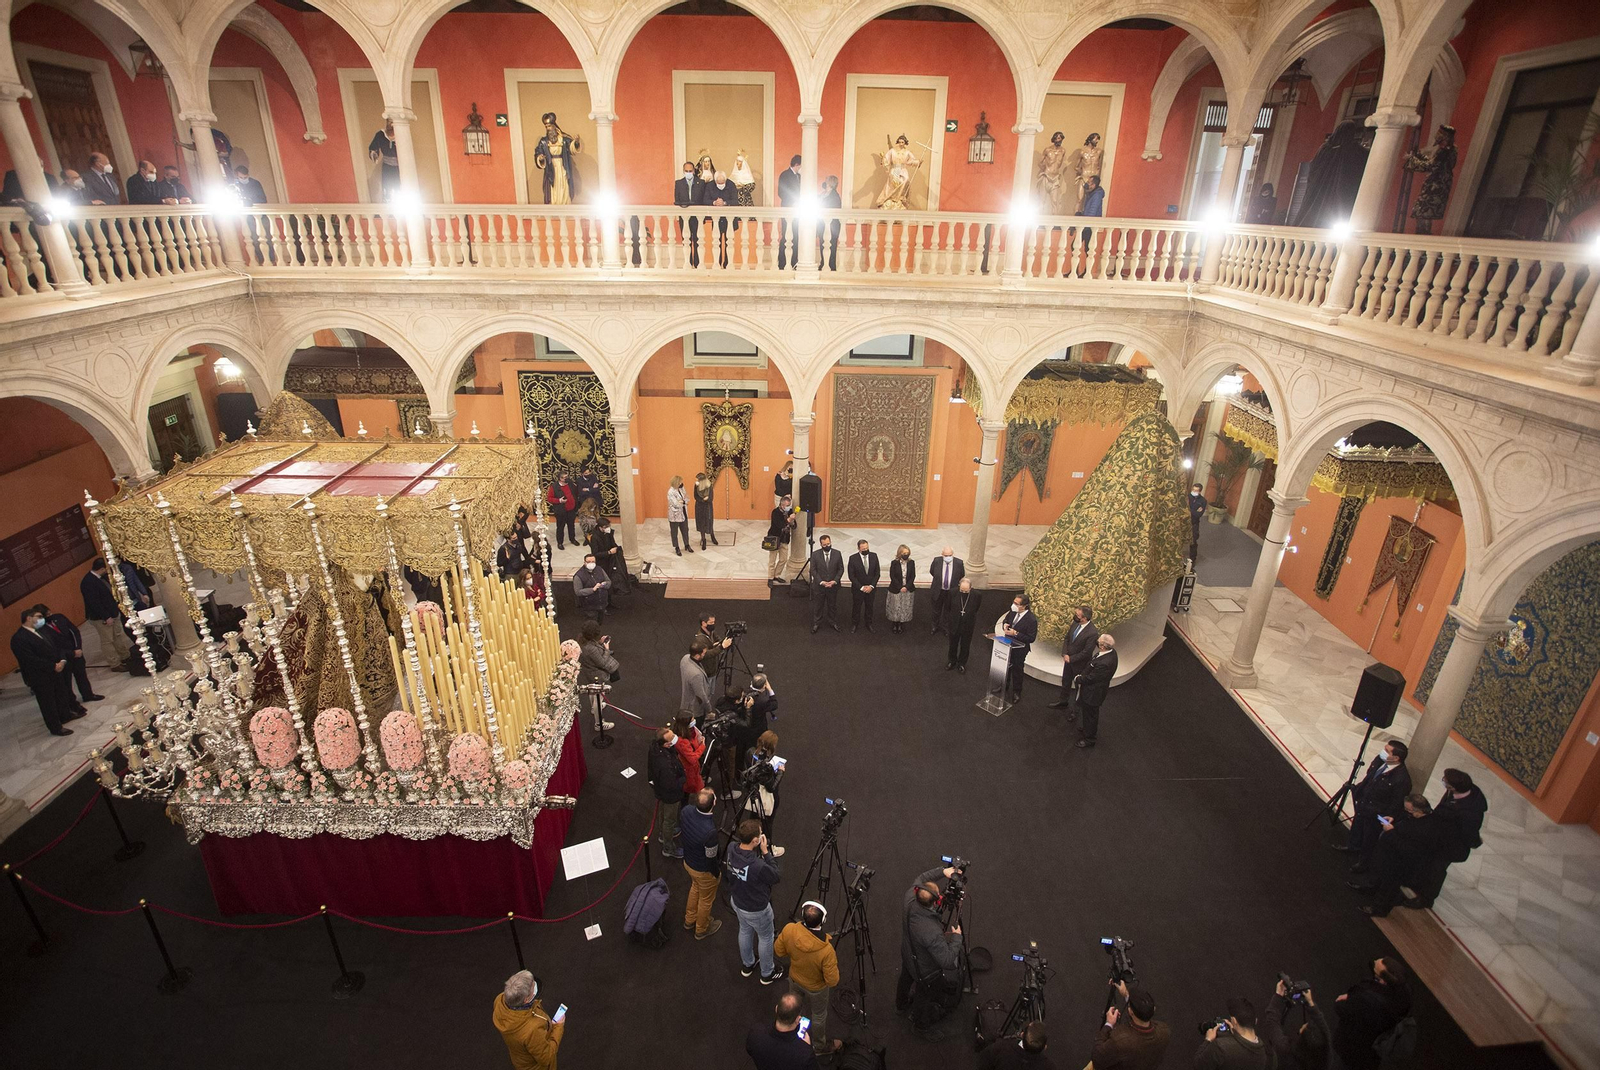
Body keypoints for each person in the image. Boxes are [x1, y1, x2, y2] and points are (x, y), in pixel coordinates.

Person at [1350, 794, 1442, 917]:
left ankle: (1379, 909)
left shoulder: (1426, 828)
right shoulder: (1414, 816)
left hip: (1400, 863)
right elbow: (1404, 820)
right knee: (1379, 876)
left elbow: (1409, 849)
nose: (1406, 812)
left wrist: (1391, 832)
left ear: (1419, 811)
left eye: (1408, 810)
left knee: (1389, 888)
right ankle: (1371, 888)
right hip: (1388, 856)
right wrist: (1393, 818)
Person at [1407, 768, 1487, 909]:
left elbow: (1469, 832)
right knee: (1425, 863)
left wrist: (1475, 842)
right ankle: (1417, 883)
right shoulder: (1453, 793)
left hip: (1449, 846)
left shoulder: (1469, 811)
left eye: (1446, 781)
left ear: (1454, 787)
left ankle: (1426, 899)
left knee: (1436, 870)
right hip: (1437, 838)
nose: (1443, 782)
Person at [896, 863, 963, 1024]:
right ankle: (920, 1023)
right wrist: (957, 938)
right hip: (925, 971)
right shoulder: (931, 931)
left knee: (905, 978)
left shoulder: (909, 898)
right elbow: (947, 961)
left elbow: (922, 878)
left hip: (907, 954)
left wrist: (942, 871)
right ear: (936, 902)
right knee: (924, 994)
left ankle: (901, 1004)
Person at [775, 902, 842, 1056]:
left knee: (796, 1007)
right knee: (818, 1015)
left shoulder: (789, 929)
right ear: (823, 921)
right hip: (816, 989)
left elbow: (779, 951)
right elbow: (832, 981)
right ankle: (819, 1046)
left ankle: (795, 1032)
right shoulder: (826, 951)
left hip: (794, 979)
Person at [727, 818, 785, 984]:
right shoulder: (757, 865)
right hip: (756, 908)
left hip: (737, 901)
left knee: (745, 930)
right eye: (760, 834)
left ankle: (748, 965)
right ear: (755, 841)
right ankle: (767, 973)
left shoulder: (731, 848)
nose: (762, 835)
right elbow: (775, 876)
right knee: (766, 937)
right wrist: (766, 852)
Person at [1337, 739, 1412, 864]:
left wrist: (1383, 818)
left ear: (1396, 758)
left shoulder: (1402, 779)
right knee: (1357, 827)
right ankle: (1352, 847)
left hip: (1377, 813)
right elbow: (1370, 777)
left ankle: (1363, 862)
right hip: (1365, 804)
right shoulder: (1380, 761)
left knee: (1369, 839)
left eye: (1387, 751)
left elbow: (1396, 802)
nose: (1383, 752)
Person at [1332, 958, 1411, 1070]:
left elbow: (1341, 1008)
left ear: (1382, 981)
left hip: (1354, 1049)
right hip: (1374, 1051)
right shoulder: (1404, 993)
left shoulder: (1368, 999)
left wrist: (1350, 998)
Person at [11, 608, 79, 735]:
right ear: (29, 618)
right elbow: (29, 659)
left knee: (60, 693)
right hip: (40, 675)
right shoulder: (19, 638)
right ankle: (55, 727)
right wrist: (52, 666)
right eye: (39, 616)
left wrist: (61, 660)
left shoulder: (41, 631)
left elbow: (55, 646)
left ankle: (65, 715)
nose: (42, 619)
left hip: (55, 669)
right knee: (48, 703)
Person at [492, 969, 564, 1070]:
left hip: (521, 1061)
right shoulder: (531, 1030)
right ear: (526, 1000)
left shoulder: (500, 1000)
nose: (535, 987)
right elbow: (546, 1058)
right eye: (533, 988)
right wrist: (558, 1027)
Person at [1091, 982, 1170, 1070]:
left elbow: (1097, 1060)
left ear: (1130, 1012)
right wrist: (1126, 995)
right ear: (1154, 1009)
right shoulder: (1164, 1030)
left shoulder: (1120, 1041)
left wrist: (1109, 1024)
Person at [35, 603, 102, 705]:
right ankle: (71, 701)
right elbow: (52, 646)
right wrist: (71, 653)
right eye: (47, 615)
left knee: (81, 675)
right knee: (66, 682)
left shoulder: (59, 617)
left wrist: (78, 648)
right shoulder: (41, 629)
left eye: (50, 613)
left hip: (76, 651)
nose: (50, 616)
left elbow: (74, 631)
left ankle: (88, 694)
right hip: (63, 657)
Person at [679, 787, 723, 938]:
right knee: (706, 900)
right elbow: (711, 858)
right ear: (714, 803)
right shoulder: (710, 832)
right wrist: (716, 874)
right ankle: (701, 929)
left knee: (695, 888)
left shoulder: (686, 811)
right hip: (703, 870)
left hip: (688, 862)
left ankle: (689, 919)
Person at [1261, 979, 1329, 1070]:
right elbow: (1324, 1029)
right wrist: (1310, 1003)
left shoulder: (1285, 1050)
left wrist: (1278, 996)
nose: (1304, 1025)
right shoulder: (1325, 1057)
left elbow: (1272, 1024)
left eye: (1304, 1028)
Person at [80, 559, 132, 671]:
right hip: (101, 617)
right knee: (108, 640)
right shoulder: (88, 582)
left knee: (117, 636)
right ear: (101, 569)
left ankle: (125, 656)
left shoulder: (101, 578)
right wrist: (106, 616)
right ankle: (114, 663)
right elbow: (94, 602)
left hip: (112, 612)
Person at [746, 993, 819, 1070]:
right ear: (798, 1020)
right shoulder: (805, 1053)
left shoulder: (756, 1032)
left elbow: (750, 1050)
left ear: (776, 1009)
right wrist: (807, 1046)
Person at [1194, 997, 1271, 1069]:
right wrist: (1234, 1032)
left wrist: (1208, 1040)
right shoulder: (1268, 1052)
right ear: (1255, 1021)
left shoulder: (1220, 1047)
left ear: (1234, 1021)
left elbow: (1198, 1065)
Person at [1049, 605, 1099, 710]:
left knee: (1079, 688)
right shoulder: (1075, 623)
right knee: (1065, 682)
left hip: (1080, 665)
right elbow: (1067, 638)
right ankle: (1063, 701)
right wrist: (1065, 653)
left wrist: (1071, 659)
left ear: (1084, 618)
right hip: (1068, 661)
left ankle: (1075, 711)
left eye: (1077, 615)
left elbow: (1087, 652)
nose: (1075, 616)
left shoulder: (1092, 632)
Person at [648, 726, 688, 858]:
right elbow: (671, 784)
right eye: (671, 739)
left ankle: (662, 834)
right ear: (665, 744)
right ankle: (668, 848)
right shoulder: (664, 764)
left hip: (660, 790)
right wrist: (683, 778)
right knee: (669, 820)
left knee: (663, 813)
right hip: (670, 794)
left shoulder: (655, 748)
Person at [1073, 633, 1118, 748]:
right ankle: (1087, 729)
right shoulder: (1111, 653)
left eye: (1098, 642)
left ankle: (1089, 739)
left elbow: (1092, 678)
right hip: (1093, 691)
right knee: (1088, 714)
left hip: (1093, 693)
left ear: (1102, 646)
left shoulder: (1104, 663)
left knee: (1091, 715)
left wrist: (1079, 678)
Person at [575, 620, 617, 736]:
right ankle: (599, 724)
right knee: (598, 698)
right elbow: (603, 663)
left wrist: (599, 642)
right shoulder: (591, 649)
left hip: (589, 672)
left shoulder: (582, 641)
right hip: (597, 675)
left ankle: (594, 710)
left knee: (592, 693)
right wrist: (606, 648)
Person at [999, 593, 1037, 703]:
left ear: (1024, 606)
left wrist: (1016, 633)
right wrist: (1005, 625)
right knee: (1006, 666)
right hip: (1007, 643)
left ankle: (1017, 691)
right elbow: (1006, 620)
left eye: (1016, 604)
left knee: (1017, 670)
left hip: (1020, 648)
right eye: (1014, 602)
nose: (1013, 605)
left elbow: (1031, 638)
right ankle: (1004, 685)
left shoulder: (1031, 619)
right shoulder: (1012, 612)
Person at [699, 171, 740, 266]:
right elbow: (705, 200)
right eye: (719, 183)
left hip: (729, 219)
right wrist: (714, 202)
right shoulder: (710, 186)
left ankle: (727, 263)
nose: (721, 184)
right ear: (715, 180)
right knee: (717, 241)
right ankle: (717, 262)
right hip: (716, 219)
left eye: (722, 183)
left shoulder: (731, 185)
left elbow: (735, 201)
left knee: (728, 242)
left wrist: (724, 203)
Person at [980, 1021, 1055, 1069]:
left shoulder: (1000, 1048)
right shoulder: (1049, 1067)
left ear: (1022, 1035)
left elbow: (982, 1064)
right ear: (1044, 1047)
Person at [946, 578, 983, 673]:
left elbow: (976, 609)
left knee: (965, 645)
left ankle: (962, 663)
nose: (963, 592)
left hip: (968, 624)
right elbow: (948, 607)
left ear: (971, 588)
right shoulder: (952, 592)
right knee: (953, 644)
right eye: (961, 590)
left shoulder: (977, 595)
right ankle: (952, 661)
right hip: (955, 623)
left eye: (966, 591)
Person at [809, 534, 843, 634]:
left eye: (828, 544)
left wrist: (835, 580)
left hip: (833, 585)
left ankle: (833, 622)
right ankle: (816, 623)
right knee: (818, 605)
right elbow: (813, 570)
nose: (827, 546)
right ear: (821, 544)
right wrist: (821, 581)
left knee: (832, 605)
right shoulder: (815, 555)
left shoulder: (837, 553)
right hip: (820, 586)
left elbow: (840, 568)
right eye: (825, 545)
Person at [586, 516, 628, 594]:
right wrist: (609, 552)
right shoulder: (595, 538)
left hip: (610, 559)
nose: (608, 528)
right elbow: (595, 553)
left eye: (608, 526)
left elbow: (612, 543)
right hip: (602, 561)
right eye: (605, 527)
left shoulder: (608, 533)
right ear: (600, 527)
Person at [929, 546, 964, 635]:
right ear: (942, 554)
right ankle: (934, 626)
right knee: (936, 610)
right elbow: (932, 571)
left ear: (952, 554)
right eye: (946, 555)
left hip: (951, 591)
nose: (948, 557)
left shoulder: (959, 563)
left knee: (948, 611)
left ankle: (946, 627)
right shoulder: (937, 561)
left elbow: (961, 574)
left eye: (949, 555)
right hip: (938, 590)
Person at [777, 154, 804, 270]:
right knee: (786, 235)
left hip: (798, 210)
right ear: (797, 165)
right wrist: (793, 201)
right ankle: (782, 262)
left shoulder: (800, 177)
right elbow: (781, 192)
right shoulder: (785, 175)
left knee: (797, 235)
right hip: (788, 209)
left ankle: (794, 260)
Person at [847, 539, 880, 633]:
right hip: (858, 589)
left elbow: (877, 573)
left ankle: (869, 623)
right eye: (863, 549)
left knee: (869, 606)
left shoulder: (874, 556)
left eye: (867, 548)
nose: (866, 550)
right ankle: (855, 623)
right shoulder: (853, 558)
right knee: (856, 607)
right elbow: (851, 576)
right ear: (858, 548)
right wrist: (861, 587)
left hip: (871, 589)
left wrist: (871, 586)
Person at [673, 160, 701, 267]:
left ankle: (697, 263)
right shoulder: (678, 183)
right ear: (683, 171)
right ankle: (688, 262)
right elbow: (676, 200)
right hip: (684, 216)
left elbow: (702, 199)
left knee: (697, 240)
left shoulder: (700, 183)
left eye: (690, 170)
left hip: (697, 217)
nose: (688, 172)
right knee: (686, 240)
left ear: (693, 171)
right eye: (686, 171)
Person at [681, 636, 715, 719]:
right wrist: (709, 710)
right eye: (703, 653)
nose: (704, 655)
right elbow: (701, 696)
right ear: (697, 655)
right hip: (695, 710)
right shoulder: (696, 674)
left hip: (686, 701)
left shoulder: (685, 659)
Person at [767, 494, 798, 584]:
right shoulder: (775, 512)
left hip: (784, 539)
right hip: (775, 538)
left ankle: (776, 575)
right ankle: (770, 577)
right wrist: (788, 520)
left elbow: (794, 526)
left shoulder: (790, 512)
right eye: (787, 505)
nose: (788, 507)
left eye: (789, 505)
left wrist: (792, 521)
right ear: (782, 505)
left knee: (783, 559)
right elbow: (780, 525)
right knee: (772, 560)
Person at [885, 545, 915, 633]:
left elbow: (912, 576)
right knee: (895, 606)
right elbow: (892, 576)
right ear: (900, 553)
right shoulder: (894, 563)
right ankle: (895, 623)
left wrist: (906, 586)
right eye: (904, 553)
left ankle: (902, 623)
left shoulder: (911, 562)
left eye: (907, 553)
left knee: (904, 606)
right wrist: (900, 587)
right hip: (896, 588)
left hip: (907, 587)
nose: (906, 555)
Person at [571, 553, 609, 623]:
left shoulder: (599, 569)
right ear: (584, 563)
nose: (591, 563)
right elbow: (578, 591)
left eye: (593, 562)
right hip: (589, 606)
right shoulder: (578, 576)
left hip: (601, 603)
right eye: (588, 562)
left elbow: (608, 581)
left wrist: (604, 584)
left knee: (600, 622)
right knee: (591, 624)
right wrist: (592, 589)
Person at [368, 120, 400, 199]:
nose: (390, 124)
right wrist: (374, 153)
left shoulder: (401, 134)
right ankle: (388, 199)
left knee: (398, 185)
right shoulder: (380, 135)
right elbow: (373, 148)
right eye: (389, 122)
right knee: (387, 185)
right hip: (387, 165)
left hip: (399, 166)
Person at [1075, 174, 1105, 256]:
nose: (1087, 184)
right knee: (1079, 247)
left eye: (1089, 182)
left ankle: (1086, 269)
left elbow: (1092, 211)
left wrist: (1085, 224)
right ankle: (1078, 268)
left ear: (1093, 185)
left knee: (1087, 249)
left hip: (1089, 226)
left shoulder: (1096, 195)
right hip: (1086, 225)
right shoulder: (1091, 194)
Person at [817, 175, 842, 271]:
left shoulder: (834, 196)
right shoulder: (824, 194)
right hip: (822, 225)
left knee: (831, 246)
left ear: (830, 183)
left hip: (831, 226)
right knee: (823, 245)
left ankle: (831, 266)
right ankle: (823, 263)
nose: (825, 183)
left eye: (826, 181)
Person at [546, 475, 577, 550]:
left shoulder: (570, 484)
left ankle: (572, 539)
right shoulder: (554, 486)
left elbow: (575, 493)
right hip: (561, 511)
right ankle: (560, 543)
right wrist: (559, 500)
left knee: (571, 526)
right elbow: (549, 498)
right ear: (560, 478)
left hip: (571, 510)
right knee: (560, 527)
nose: (566, 478)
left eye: (567, 476)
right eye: (564, 477)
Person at [667, 475, 692, 556]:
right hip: (675, 514)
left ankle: (687, 544)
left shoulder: (681, 489)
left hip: (683, 512)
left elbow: (687, 498)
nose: (681, 483)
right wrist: (682, 502)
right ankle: (676, 547)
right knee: (674, 532)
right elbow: (675, 503)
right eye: (680, 482)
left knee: (685, 530)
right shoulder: (671, 492)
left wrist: (683, 501)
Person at [693, 472, 718, 549]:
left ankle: (712, 536)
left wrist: (707, 499)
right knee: (701, 523)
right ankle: (703, 539)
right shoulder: (696, 486)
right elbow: (695, 496)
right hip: (699, 506)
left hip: (707, 507)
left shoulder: (709, 486)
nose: (696, 481)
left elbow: (711, 498)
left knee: (709, 521)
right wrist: (703, 499)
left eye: (698, 479)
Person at [1189, 483, 1208, 555]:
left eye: (1196, 490)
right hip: (1184, 522)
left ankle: (1192, 559)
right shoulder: (1187, 497)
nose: (1194, 491)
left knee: (1193, 541)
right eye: (1193, 490)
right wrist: (1194, 511)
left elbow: (1199, 514)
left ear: (1200, 492)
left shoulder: (1203, 501)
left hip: (1194, 523)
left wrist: (1189, 510)